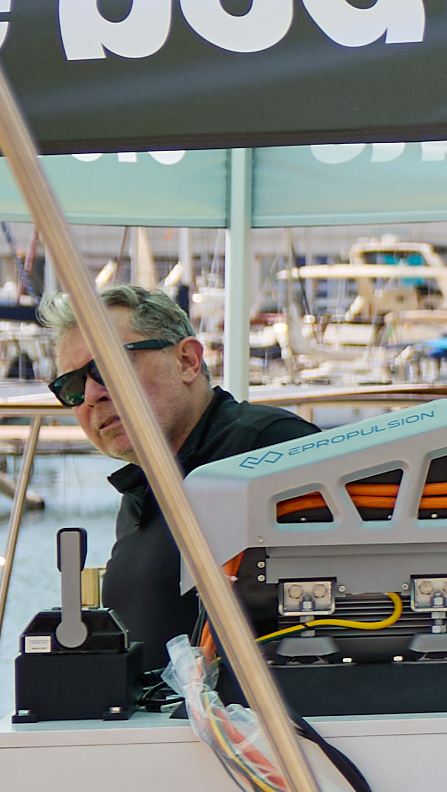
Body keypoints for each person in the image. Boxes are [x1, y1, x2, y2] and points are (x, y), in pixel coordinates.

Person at [48, 282, 318, 708]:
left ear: (188, 361)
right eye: (72, 386)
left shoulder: (269, 451)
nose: (93, 395)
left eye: (109, 367)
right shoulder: (143, 490)